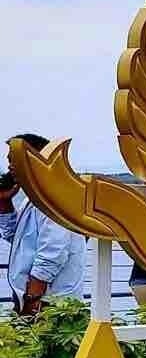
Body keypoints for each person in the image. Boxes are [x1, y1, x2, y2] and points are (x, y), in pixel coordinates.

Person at [0, 134, 86, 315]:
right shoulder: (34, 198)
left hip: (50, 302)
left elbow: (53, 252)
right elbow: (17, 238)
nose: (9, 167)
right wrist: (4, 203)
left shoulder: (55, 198)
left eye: (13, 160)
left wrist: (32, 300)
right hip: (33, 296)